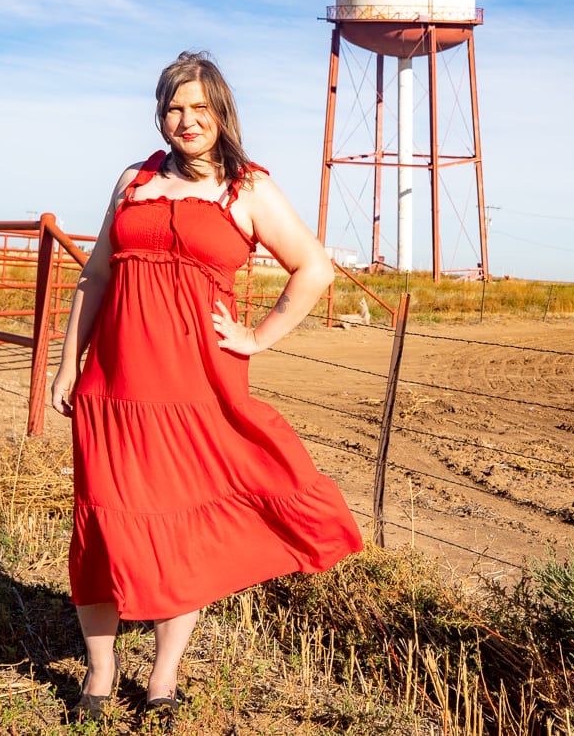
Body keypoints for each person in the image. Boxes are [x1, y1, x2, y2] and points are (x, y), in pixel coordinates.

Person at [49, 50, 363, 723]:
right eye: (173, 107)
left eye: (199, 107)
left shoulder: (247, 188)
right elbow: (96, 276)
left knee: (182, 532)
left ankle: (162, 680)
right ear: (159, 113)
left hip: (198, 392)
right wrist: (67, 361)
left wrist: (257, 336)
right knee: (101, 525)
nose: (186, 120)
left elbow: (313, 268)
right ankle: (99, 676)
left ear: (220, 112)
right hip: (112, 386)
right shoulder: (133, 180)